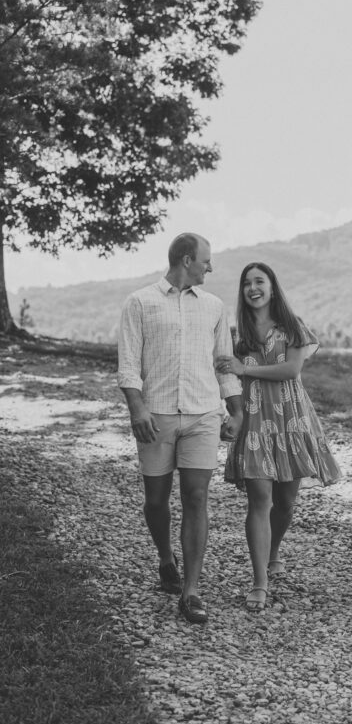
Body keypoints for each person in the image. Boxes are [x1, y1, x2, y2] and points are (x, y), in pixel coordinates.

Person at [117, 233, 243, 625]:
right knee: (156, 500)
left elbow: (224, 362)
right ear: (187, 260)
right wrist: (137, 409)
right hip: (156, 417)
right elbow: (128, 365)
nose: (211, 267)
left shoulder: (215, 307)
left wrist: (235, 411)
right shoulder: (140, 302)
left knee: (196, 497)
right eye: (207, 260)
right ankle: (164, 557)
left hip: (204, 415)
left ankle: (191, 590)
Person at [218, 261, 341, 613]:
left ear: (273, 287)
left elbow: (292, 369)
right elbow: (228, 378)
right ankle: (259, 582)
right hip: (255, 420)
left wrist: (246, 369)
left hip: (291, 419)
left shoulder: (292, 327)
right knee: (259, 499)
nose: (253, 288)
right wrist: (233, 412)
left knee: (285, 502)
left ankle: (273, 552)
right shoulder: (235, 334)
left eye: (260, 281)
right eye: (246, 283)